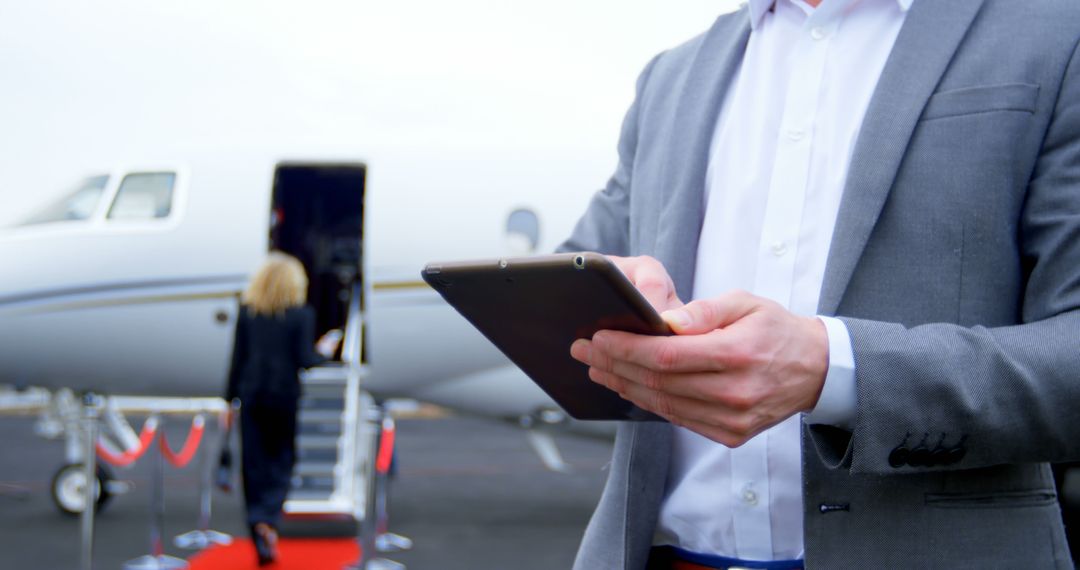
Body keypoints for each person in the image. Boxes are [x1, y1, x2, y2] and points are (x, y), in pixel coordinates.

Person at [560, 0, 1080, 568]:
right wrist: (615, 292)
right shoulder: (672, 75)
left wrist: (836, 369)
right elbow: (569, 282)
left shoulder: (1057, 35)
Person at [225, 252, 340, 566]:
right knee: (282, 460)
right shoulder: (301, 314)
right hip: (284, 397)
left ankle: (256, 523)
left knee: (253, 464)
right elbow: (305, 359)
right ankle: (270, 518)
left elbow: (237, 360)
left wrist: (228, 399)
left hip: (251, 396)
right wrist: (324, 351)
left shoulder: (248, 312)